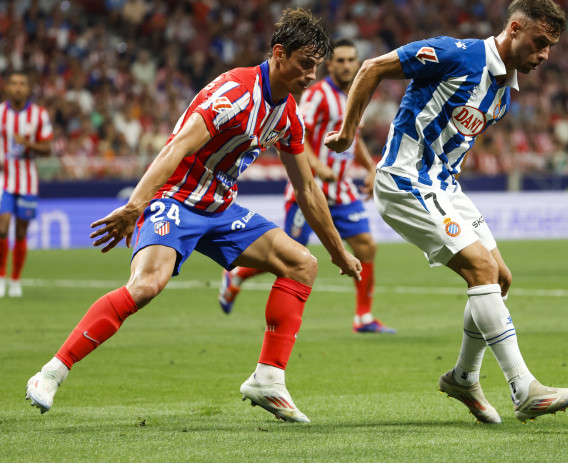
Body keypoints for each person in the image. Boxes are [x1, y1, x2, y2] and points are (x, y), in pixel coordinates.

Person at [25, 9, 361, 423]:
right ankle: (51, 373)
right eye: (305, 65)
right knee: (147, 286)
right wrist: (135, 206)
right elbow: (176, 148)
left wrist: (337, 252)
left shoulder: (287, 114)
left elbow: (307, 189)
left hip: (219, 208)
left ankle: (268, 380)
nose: (312, 76)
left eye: (316, 67)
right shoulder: (235, 94)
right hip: (175, 199)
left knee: (300, 265)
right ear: (278, 54)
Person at [325, 0, 568, 424]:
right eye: (540, 43)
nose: (545, 56)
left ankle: (464, 377)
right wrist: (350, 131)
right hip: (405, 179)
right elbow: (372, 67)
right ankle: (524, 388)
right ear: (515, 29)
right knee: (481, 269)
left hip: (444, 185)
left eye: (550, 47)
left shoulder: (503, 91)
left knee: (499, 278)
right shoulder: (455, 54)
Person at [218, 38, 395, 334]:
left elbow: (355, 136)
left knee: (366, 246)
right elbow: (298, 133)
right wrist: (317, 166)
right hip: (311, 188)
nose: (347, 65)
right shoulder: (317, 95)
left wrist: (371, 167)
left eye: (352, 60)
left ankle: (363, 317)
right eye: (340, 60)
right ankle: (237, 275)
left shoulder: (354, 94)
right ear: (330, 64)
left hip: (341, 189)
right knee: (293, 252)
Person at [0, 69, 53, 298]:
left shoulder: (39, 115)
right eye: (14, 83)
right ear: (8, 88)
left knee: (21, 233)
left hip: (28, 182)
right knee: (2, 228)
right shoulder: (0, 113)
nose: (18, 87)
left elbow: (48, 148)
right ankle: (1, 277)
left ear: (28, 89)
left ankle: (15, 280)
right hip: (4, 181)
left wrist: (28, 144)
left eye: (22, 83)